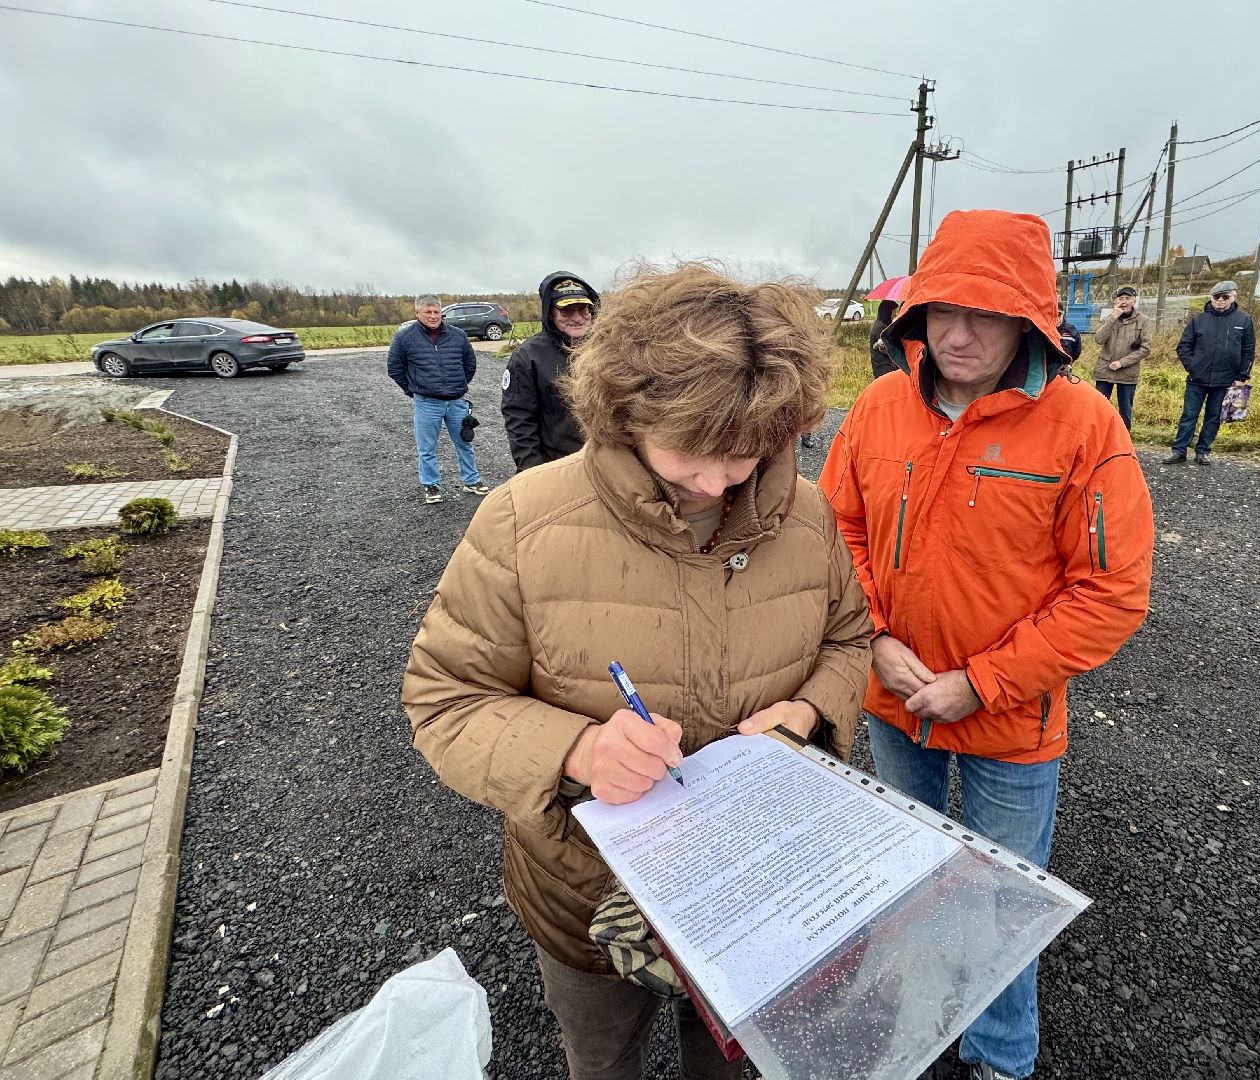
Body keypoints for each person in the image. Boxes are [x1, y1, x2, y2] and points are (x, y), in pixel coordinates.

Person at [404, 263, 874, 1080]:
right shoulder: (523, 519)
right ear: (625, 410)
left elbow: (848, 641)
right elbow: (446, 698)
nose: (715, 482)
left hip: (753, 884)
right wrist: (577, 751)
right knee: (603, 1060)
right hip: (587, 894)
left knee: (728, 1062)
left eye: (745, 454)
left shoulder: (806, 513)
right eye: (689, 451)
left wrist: (805, 714)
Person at [818, 210, 1155, 1080]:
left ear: (1029, 324)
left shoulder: (1083, 426)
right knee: (905, 872)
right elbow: (834, 531)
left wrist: (983, 682)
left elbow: (1111, 590)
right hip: (892, 703)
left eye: (986, 315)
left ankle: (998, 1058)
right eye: (942, 311)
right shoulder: (879, 407)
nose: (957, 336)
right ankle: (911, 1022)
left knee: (1000, 901)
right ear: (915, 313)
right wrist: (873, 639)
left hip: (1011, 724)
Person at [387, 294, 489, 503]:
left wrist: (458, 385)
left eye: (436, 312)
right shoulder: (404, 337)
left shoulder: (458, 335)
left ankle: (471, 481)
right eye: (428, 312)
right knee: (426, 449)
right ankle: (431, 485)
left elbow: (469, 364)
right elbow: (395, 368)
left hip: (456, 401)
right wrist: (413, 390)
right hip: (426, 403)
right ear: (417, 313)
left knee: (464, 442)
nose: (433, 316)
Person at [501, 271, 599, 471]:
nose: (577, 318)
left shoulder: (606, 347)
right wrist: (533, 473)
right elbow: (519, 421)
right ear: (550, 313)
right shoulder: (527, 357)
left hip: (606, 464)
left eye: (583, 309)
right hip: (559, 467)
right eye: (567, 311)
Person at [1163, 280, 1256, 465]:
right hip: (1197, 378)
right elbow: (1183, 346)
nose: (1220, 300)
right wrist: (1193, 366)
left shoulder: (1244, 320)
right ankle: (1179, 450)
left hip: (1226, 380)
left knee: (1213, 417)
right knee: (1189, 415)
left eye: (1225, 297)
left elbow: (1248, 351)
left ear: (1234, 296)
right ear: (1211, 298)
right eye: (1216, 297)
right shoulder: (1198, 319)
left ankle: (1203, 451)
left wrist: (1242, 377)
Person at [1091, 286, 1150, 431]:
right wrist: (1112, 318)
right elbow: (1099, 339)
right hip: (1105, 371)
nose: (1124, 302)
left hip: (1127, 373)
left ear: (1134, 301)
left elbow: (1145, 349)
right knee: (1099, 409)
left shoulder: (1143, 320)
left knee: (1125, 411)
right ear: (1116, 301)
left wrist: (1122, 363)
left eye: (1128, 298)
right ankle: (1099, 438)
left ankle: (1123, 441)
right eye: (1120, 298)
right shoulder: (1110, 318)